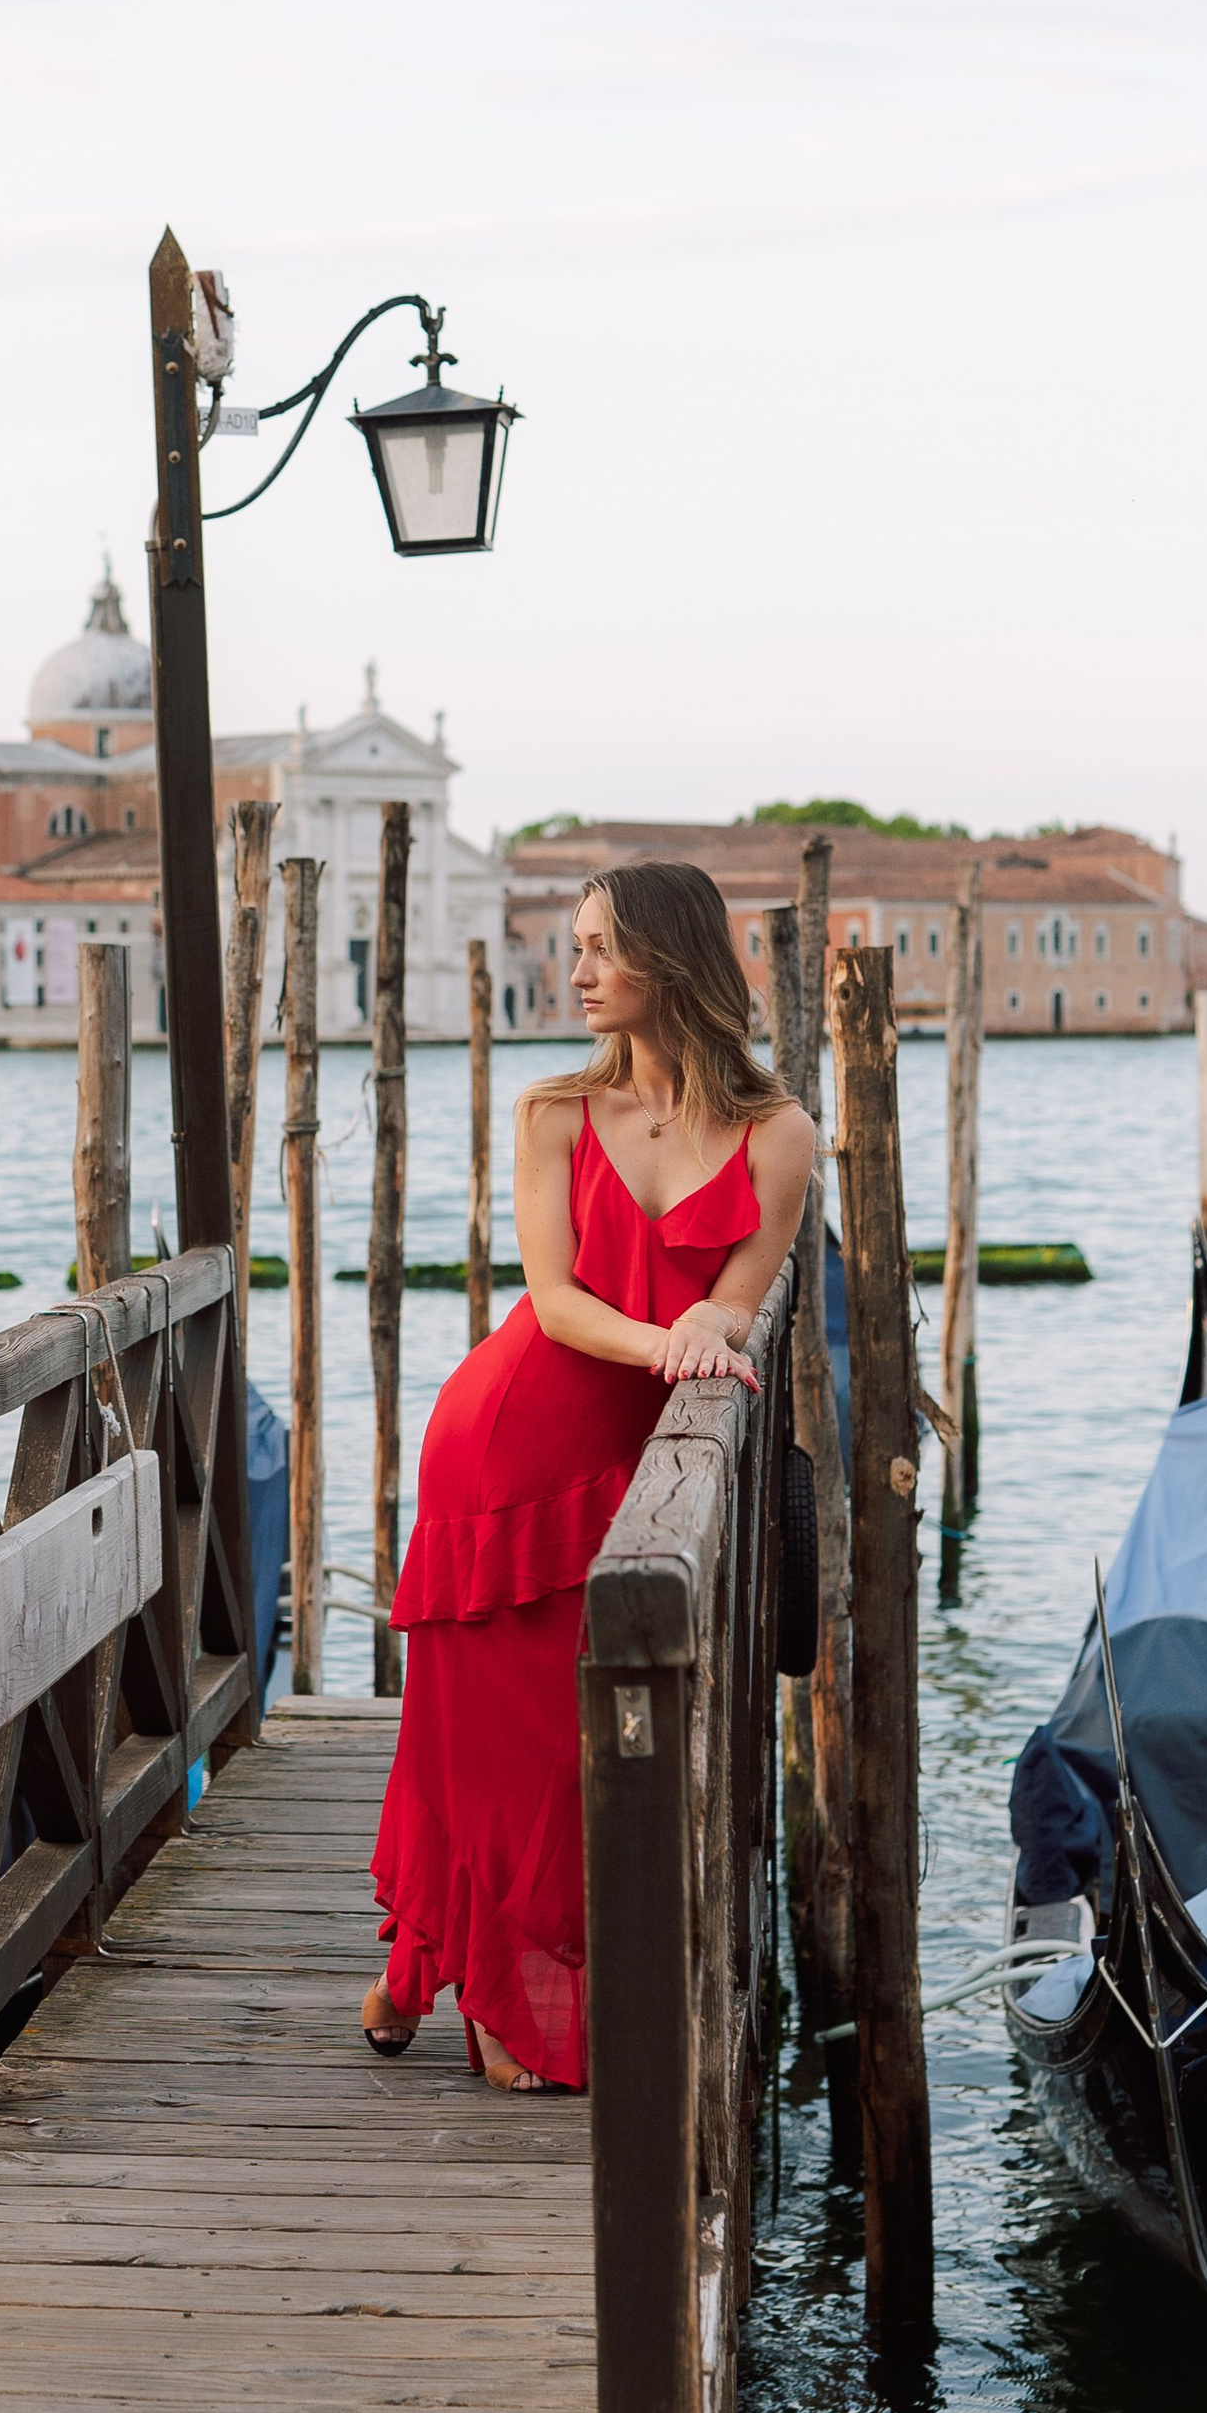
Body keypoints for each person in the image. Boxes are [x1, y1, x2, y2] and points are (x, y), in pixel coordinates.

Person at [362, 861, 812, 2091]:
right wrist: (668, 1340)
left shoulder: (780, 1134)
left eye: (601, 947)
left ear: (669, 958)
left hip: (626, 1463)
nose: (576, 971)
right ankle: (462, 1981)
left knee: (568, 1751)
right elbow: (556, 1303)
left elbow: (736, 1296)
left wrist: (709, 1324)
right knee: (480, 1735)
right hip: (502, 1445)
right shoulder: (553, 1111)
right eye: (576, 946)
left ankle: (420, 1965)